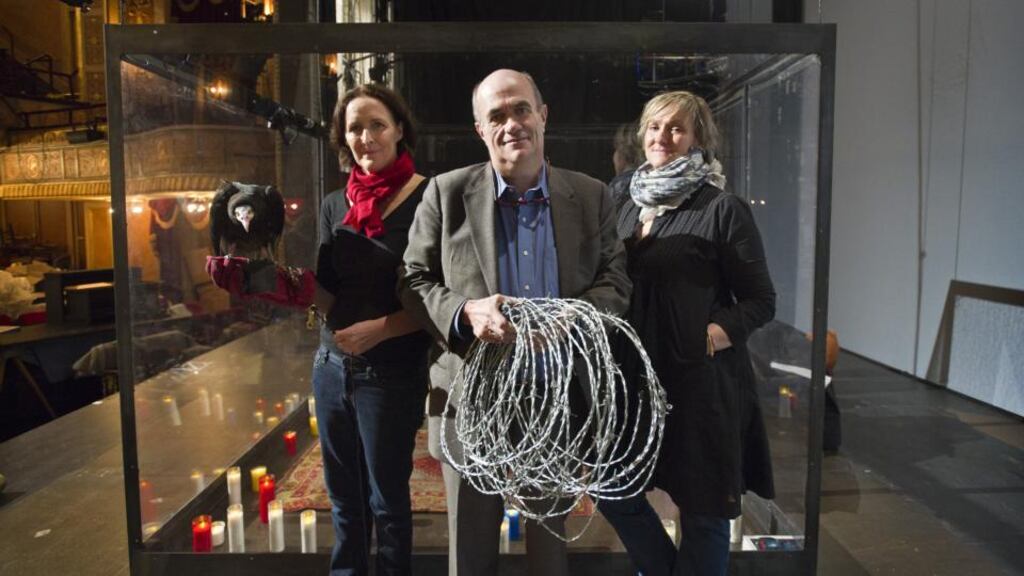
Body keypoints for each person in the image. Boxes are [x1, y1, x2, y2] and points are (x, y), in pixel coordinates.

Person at [399, 69, 631, 576]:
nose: (512, 124)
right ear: (480, 129)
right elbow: (411, 281)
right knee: (471, 552)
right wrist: (465, 312)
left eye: (521, 109)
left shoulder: (591, 196)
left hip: (555, 399)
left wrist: (576, 320)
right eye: (496, 116)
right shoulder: (445, 193)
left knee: (550, 555)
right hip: (470, 402)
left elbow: (616, 282)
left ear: (543, 115)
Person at [598, 91, 776, 576]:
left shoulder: (723, 208)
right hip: (632, 379)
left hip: (701, 383)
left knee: (705, 510)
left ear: (698, 138)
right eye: (654, 127)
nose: (663, 137)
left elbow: (762, 299)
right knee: (612, 488)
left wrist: (714, 335)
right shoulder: (620, 196)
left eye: (676, 128)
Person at [313, 83, 430, 576]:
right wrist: (272, 282)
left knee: (388, 503)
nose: (365, 137)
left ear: (399, 129)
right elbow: (326, 296)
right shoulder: (334, 204)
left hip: (391, 372)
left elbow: (439, 299)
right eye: (354, 127)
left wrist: (379, 330)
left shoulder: (429, 197)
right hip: (330, 368)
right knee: (344, 501)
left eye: (376, 124)